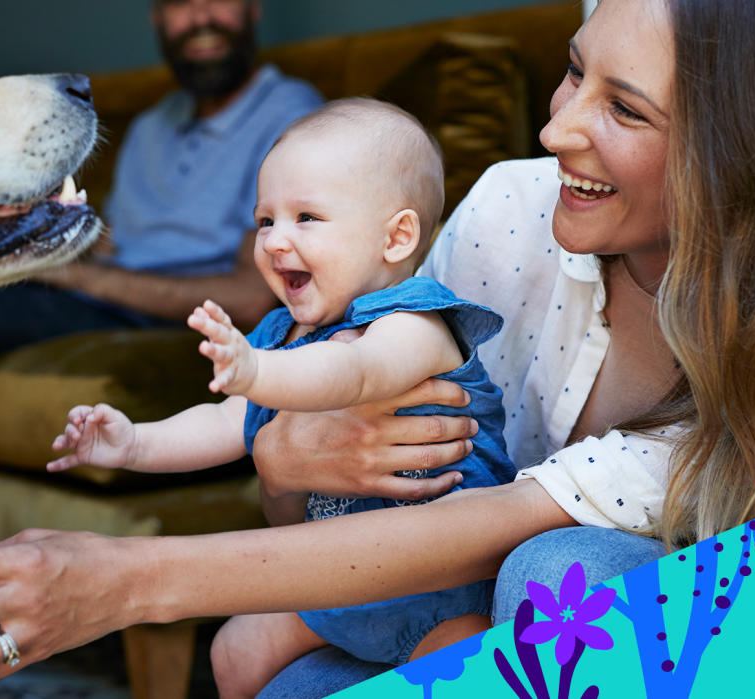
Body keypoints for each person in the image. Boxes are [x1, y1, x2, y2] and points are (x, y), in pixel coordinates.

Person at [0, 0, 755, 695]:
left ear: (741, 153)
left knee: (563, 574)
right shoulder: (509, 211)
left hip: (580, 602)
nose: (554, 123)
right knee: (259, 667)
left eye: (625, 108)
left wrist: (127, 582)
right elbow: (321, 465)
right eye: (577, 68)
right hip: (415, 569)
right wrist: (275, 450)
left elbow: (494, 521)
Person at [47, 99, 517, 695]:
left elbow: (353, 372)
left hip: (442, 591)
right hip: (330, 581)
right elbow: (226, 424)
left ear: (396, 237)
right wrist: (133, 444)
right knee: (234, 650)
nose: (274, 241)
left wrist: (256, 371)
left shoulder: (416, 323)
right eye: (265, 220)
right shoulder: (281, 337)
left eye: (307, 218)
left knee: (472, 668)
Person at [0, 0, 323, 388]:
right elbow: (110, 245)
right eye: (179, 3)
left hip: (170, 322)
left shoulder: (291, 115)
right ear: (157, 19)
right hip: (97, 302)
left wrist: (70, 274)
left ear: (253, 9)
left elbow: (253, 299)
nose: (200, 17)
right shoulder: (150, 126)